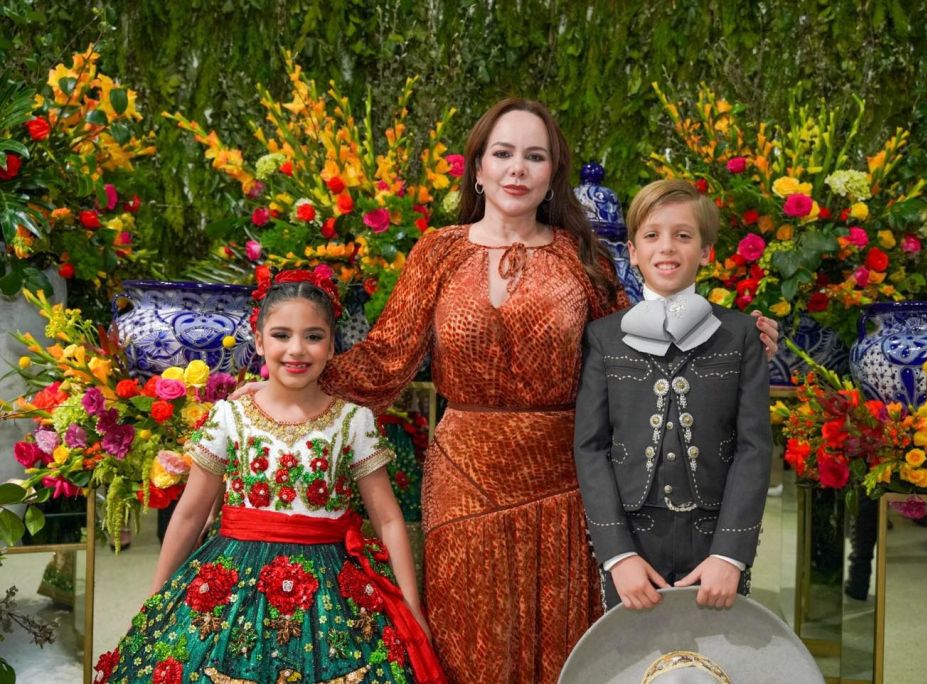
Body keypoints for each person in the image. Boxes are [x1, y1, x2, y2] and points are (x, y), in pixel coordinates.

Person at [238, 99, 780, 683]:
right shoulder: (438, 251)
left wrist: (731, 337)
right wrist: (280, 387)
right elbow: (385, 358)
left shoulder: (583, 258)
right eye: (502, 153)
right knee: (465, 648)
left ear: (552, 175)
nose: (516, 168)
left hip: (564, 486)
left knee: (566, 655)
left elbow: (636, 357)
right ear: (477, 168)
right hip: (463, 483)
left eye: (534, 156)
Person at [93, 270, 443, 684]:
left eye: (313, 336)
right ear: (258, 341)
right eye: (281, 335)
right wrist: (158, 597)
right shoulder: (231, 416)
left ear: (333, 345)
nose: (297, 349)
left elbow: (387, 520)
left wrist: (410, 606)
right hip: (232, 580)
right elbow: (190, 515)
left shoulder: (354, 421)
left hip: (332, 590)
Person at [574, 179, 771, 612]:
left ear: (706, 252)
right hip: (633, 540)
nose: (666, 248)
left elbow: (754, 449)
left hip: (714, 538)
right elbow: (590, 448)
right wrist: (617, 555)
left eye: (683, 235)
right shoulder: (603, 338)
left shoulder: (741, 335)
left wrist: (730, 552)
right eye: (652, 235)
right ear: (632, 251)